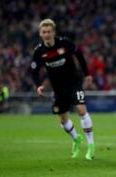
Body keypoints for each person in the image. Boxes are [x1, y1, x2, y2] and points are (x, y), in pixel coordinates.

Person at [30, 19, 95, 160]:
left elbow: (79, 55)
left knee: (81, 110)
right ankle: (76, 138)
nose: (46, 34)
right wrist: (38, 85)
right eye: (44, 32)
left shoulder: (65, 43)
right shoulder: (39, 51)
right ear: (40, 34)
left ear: (53, 32)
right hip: (58, 88)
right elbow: (34, 71)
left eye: (49, 31)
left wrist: (87, 74)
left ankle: (91, 146)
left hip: (74, 82)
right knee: (63, 120)